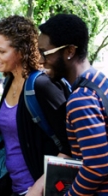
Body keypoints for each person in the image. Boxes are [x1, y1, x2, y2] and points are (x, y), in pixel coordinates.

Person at [0, 15, 72, 196]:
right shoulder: (8, 84)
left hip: (40, 190)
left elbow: (71, 142)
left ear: (21, 52)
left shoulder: (42, 86)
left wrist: (39, 187)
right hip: (15, 188)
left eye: (1, 51)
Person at [38, 13, 108, 196]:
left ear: (69, 51)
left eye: (45, 53)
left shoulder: (81, 99)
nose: (40, 60)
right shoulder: (100, 82)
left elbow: (96, 167)